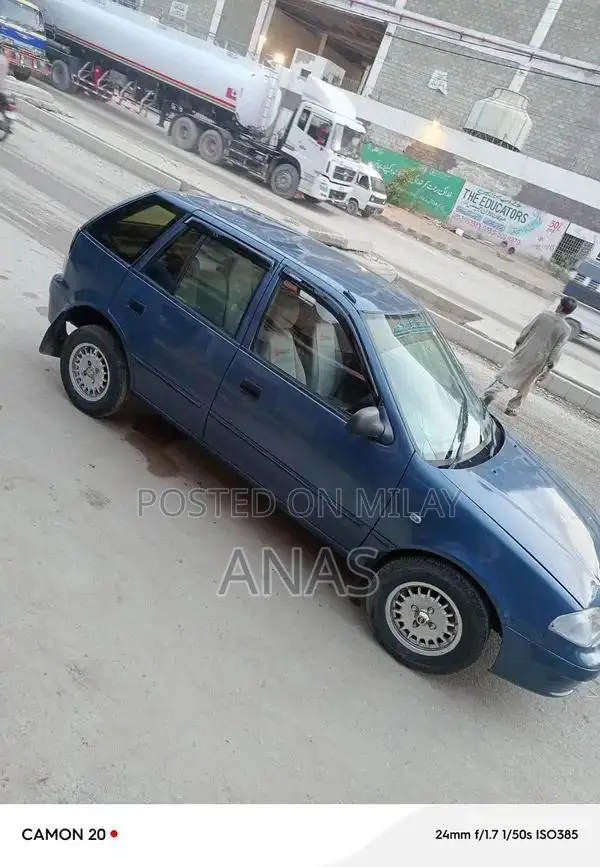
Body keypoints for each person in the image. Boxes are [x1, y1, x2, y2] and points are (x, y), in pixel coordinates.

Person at [481, 296, 578, 416]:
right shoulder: (566, 329)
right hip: (539, 360)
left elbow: (527, 330)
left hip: (525, 350)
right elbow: (557, 349)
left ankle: (491, 393)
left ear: (560, 306)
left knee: (508, 373)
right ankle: (512, 407)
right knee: (527, 383)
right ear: (569, 312)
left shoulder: (544, 315)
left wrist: (518, 343)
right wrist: (549, 367)